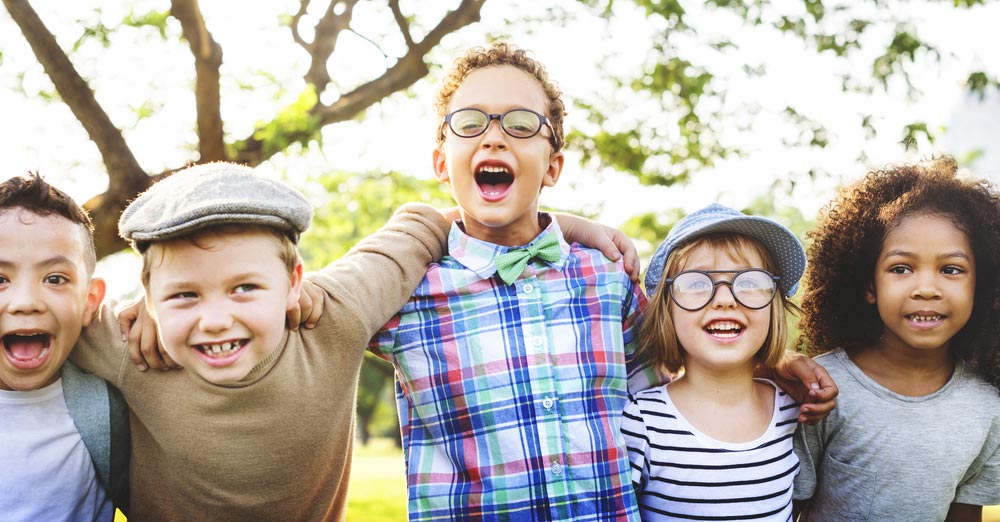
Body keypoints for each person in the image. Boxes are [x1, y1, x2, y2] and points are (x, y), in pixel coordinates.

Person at [370, 42, 835, 520]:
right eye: (470, 123)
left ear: (552, 166)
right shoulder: (406, 292)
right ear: (441, 162)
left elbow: (693, 358)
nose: (494, 138)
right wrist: (564, 222)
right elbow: (319, 323)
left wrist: (775, 362)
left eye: (522, 124)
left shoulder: (607, 279)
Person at [69, 161, 637, 521]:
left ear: (293, 286)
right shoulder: (128, 344)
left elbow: (429, 225)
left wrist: (569, 227)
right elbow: (41, 314)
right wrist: (145, 309)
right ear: (148, 293)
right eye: (184, 295)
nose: (215, 319)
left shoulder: (333, 316)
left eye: (245, 288)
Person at [793, 156, 1000, 521]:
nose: (925, 288)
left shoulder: (987, 407)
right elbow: (789, 506)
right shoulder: (822, 388)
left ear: (979, 288)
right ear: (870, 285)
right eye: (901, 268)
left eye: (951, 269)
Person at [621, 203, 806, 520]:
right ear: (668, 310)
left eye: (749, 282)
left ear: (774, 306)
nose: (724, 298)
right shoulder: (642, 423)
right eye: (696, 284)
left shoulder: (793, 411)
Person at [0, 173, 129, 521]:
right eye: (0, 279)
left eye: (55, 279)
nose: (25, 303)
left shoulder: (108, 407)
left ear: (90, 300)